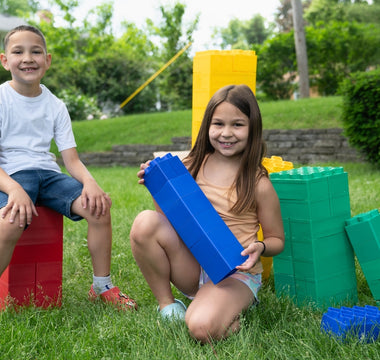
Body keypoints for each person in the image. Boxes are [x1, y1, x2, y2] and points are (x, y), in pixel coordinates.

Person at [130, 84, 284, 342]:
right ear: (207, 126)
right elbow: (170, 221)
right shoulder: (191, 165)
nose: (226, 133)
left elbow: (277, 240)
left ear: (253, 128)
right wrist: (158, 186)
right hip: (193, 264)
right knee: (145, 222)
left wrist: (260, 246)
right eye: (218, 124)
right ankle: (168, 306)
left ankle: (230, 307)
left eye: (237, 125)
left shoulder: (258, 183)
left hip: (235, 273)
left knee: (201, 329)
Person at [0, 25, 136, 310]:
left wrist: (90, 183)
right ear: (4, 60)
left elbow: (71, 159)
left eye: (36, 52)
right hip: (10, 174)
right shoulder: (2, 100)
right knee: (10, 221)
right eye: (18, 52)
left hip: (48, 175)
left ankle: (102, 286)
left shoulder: (55, 105)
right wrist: (14, 190)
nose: (28, 58)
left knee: (99, 208)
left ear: (47, 60)